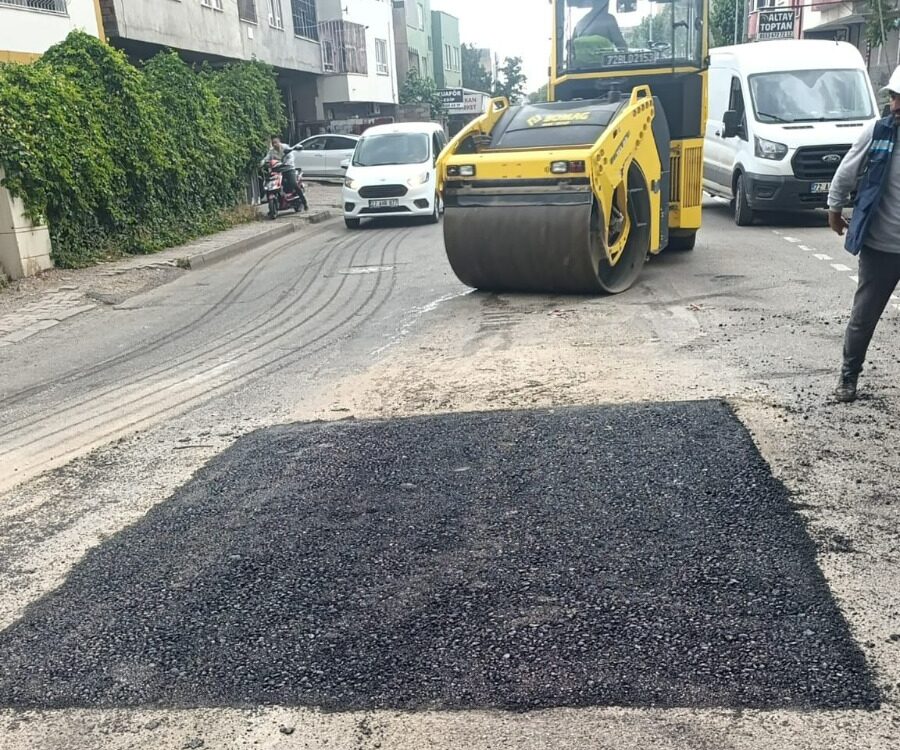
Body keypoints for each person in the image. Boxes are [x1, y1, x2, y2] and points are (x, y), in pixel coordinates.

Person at [828, 66, 900, 403]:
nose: (896, 105)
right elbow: (846, 172)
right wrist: (834, 208)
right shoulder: (878, 132)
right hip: (880, 247)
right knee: (864, 317)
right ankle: (848, 377)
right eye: (894, 97)